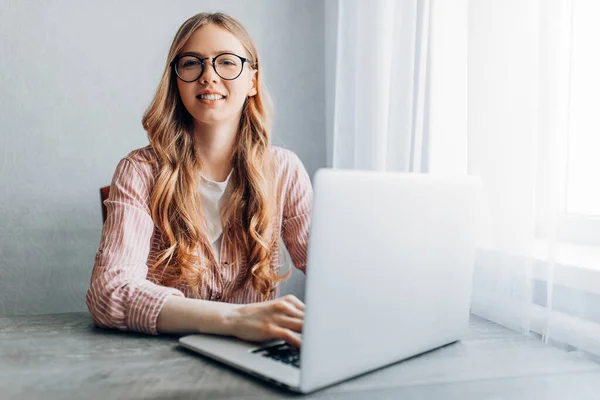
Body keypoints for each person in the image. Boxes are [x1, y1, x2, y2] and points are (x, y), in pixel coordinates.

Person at [86, 12, 312, 348]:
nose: (209, 76)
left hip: (254, 360)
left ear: (252, 80)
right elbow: (109, 293)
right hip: (161, 363)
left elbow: (333, 273)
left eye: (227, 62)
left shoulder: (285, 170)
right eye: (192, 63)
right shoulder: (140, 170)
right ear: (176, 80)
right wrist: (235, 320)